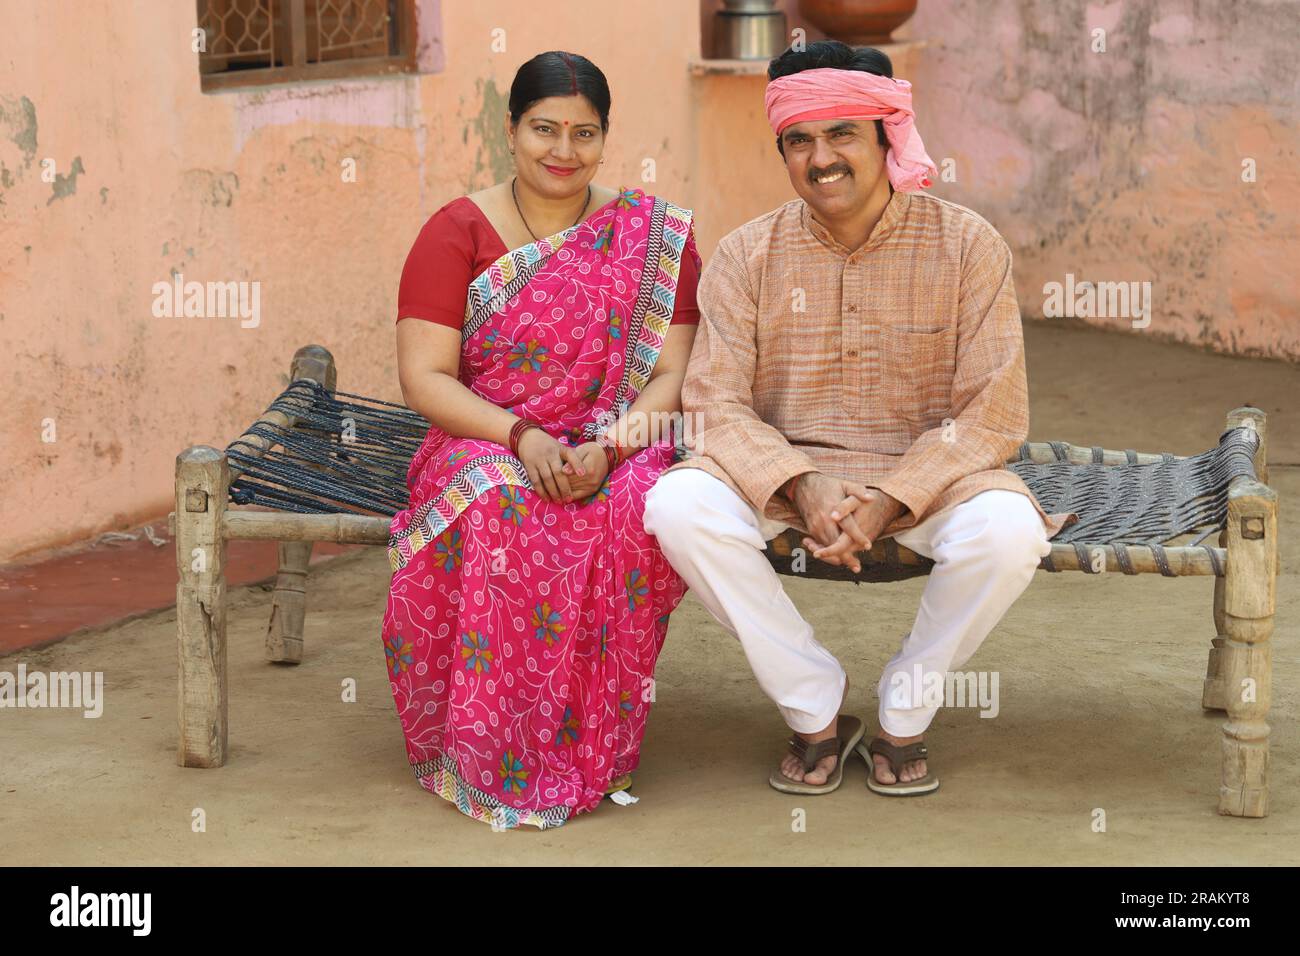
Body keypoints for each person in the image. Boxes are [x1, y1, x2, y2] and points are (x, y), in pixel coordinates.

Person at [643, 42, 1077, 797]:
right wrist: (804, 485)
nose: (822, 158)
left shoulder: (967, 247)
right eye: (800, 140)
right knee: (675, 504)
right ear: (783, 150)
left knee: (1010, 534)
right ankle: (813, 703)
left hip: (929, 485)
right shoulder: (746, 255)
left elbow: (993, 411)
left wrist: (889, 500)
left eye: (843, 134)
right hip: (786, 484)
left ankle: (905, 711)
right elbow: (713, 404)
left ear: (887, 137)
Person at [382, 50, 701, 829]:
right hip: (486, 434)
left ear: (604, 138)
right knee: (495, 504)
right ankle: (490, 739)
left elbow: (671, 378)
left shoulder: (652, 234)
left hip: (614, 436)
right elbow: (426, 378)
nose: (563, 151)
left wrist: (611, 449)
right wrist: (520, 435)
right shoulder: (455, 231)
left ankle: (593, 739)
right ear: (511, 130)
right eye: (544, 130)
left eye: (584, 134)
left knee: (640, 507)